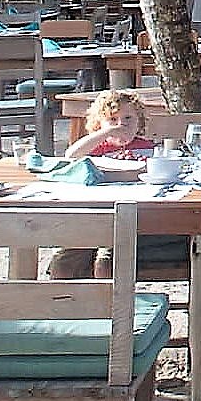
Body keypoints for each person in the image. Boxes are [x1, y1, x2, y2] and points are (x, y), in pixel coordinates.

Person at [48, 91, 158, 279]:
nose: (121, 124)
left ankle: (109, 296)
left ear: (139, 121)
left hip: (129, 216)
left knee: (106, 262)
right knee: (63, 262)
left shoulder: (147, 147)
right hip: (92, 214)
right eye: (112, 119)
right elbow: (71, 155)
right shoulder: (96, 148)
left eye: (128, 118)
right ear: (100, 124)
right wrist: (106, 133)